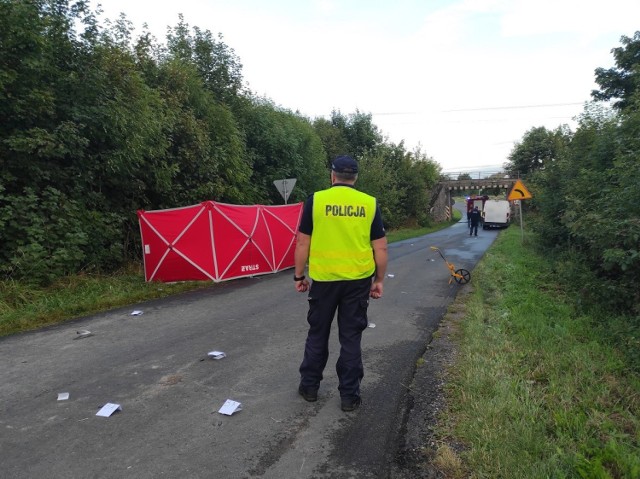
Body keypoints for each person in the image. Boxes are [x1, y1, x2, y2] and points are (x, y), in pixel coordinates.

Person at [293, 155, 388, 412]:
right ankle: (349, 396)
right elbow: (380, 247)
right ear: (355, 178)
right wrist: (378, 280)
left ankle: (310, 387)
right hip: (357, 281)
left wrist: (299, 276)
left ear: (332, 176)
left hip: (324, 281)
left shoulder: (317, 201)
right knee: (350, 338)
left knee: (318, 334)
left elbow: (303, 243)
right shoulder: (369, 204)